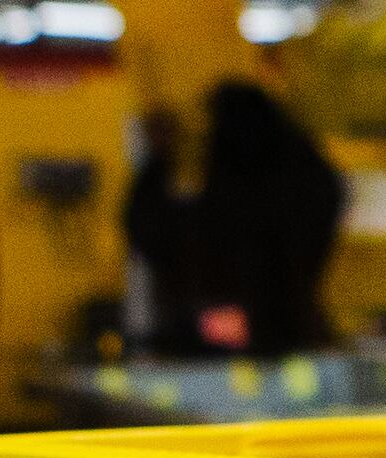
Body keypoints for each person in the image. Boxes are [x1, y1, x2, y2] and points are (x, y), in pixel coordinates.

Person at [124, 77, 342, 354]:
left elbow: (149, 229)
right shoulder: (300, 175)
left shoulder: (226, 186)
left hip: (220, 339)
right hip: (291, 332)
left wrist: (159, 161)